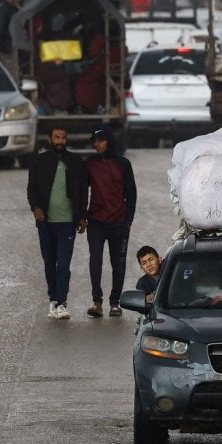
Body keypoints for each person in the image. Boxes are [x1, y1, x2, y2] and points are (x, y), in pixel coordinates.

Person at [27, 126, 88, 320]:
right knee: (49, 263)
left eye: (63, 137)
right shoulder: (39, 162)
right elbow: (32, 189)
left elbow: (82, 192)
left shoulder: (76, 162)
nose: (60, 141)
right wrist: (36, 207)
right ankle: (53, 299)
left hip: (67, 222)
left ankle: (62, 303)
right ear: (50, 138)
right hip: (46, 223)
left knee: (63, 264)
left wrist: (81, 217)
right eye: (57, 137)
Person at [84, 125, 137, 317]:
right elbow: (82, 190)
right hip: (96, 222)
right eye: (95, 142)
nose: (97, 145)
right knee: (95, 262)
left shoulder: (123, 164)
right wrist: (82, 216)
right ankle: (97, 302)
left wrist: (129, 219)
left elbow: (131, 192)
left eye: (100, 141)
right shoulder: (89, 164)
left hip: (119, 222)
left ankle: (115, 303)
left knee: (119, 263)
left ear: (109, 141)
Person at [0, 0, 23, 70]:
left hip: (9, 45)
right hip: (6, 47)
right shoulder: (4, 9)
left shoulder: (11, 7)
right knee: (10, 69)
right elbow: (1, 28)